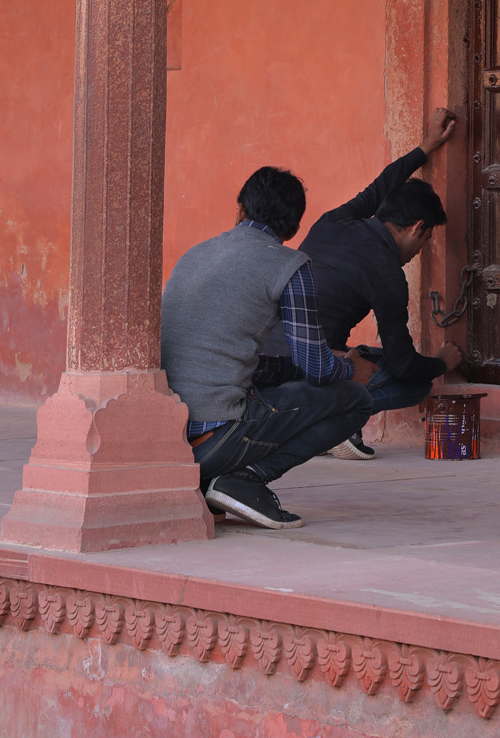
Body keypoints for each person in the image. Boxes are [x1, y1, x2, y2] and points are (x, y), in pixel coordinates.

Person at [160, 165, 375, 529]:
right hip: (216, 442)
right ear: (292, 228)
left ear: (241, 208)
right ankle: (243, 479)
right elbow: (319, 371)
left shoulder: (194, 254)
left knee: (279, 387)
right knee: (356, 400)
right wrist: (353, 368)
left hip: (168, 439)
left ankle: (217, 482)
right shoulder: (290, 265)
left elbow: (232, 359)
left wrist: (304, 366)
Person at [299, 108, 463, 460]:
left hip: (272, 356)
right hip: (314, 366)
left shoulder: (335, 220)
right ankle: (333, 423)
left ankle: (321, 417)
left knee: (365, 356)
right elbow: (404, 365)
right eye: (426, 240)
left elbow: (384, 183)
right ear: (417, 228)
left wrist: (426, 147)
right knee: (415, 379)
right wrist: (440, 364)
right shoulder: (389, 276)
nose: (421, 251)